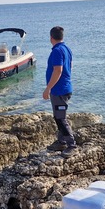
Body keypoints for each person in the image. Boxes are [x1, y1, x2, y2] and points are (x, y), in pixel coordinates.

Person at [42, 26, 76, 158]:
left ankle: (71, 145)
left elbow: (58, 70)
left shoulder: (57, 51)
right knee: (58, 116)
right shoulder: (67, 49)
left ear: (51, 38)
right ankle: (61, 141)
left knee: (61, 118)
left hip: (59, 90)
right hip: (63, 88)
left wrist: (48, 88)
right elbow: (70, 66)